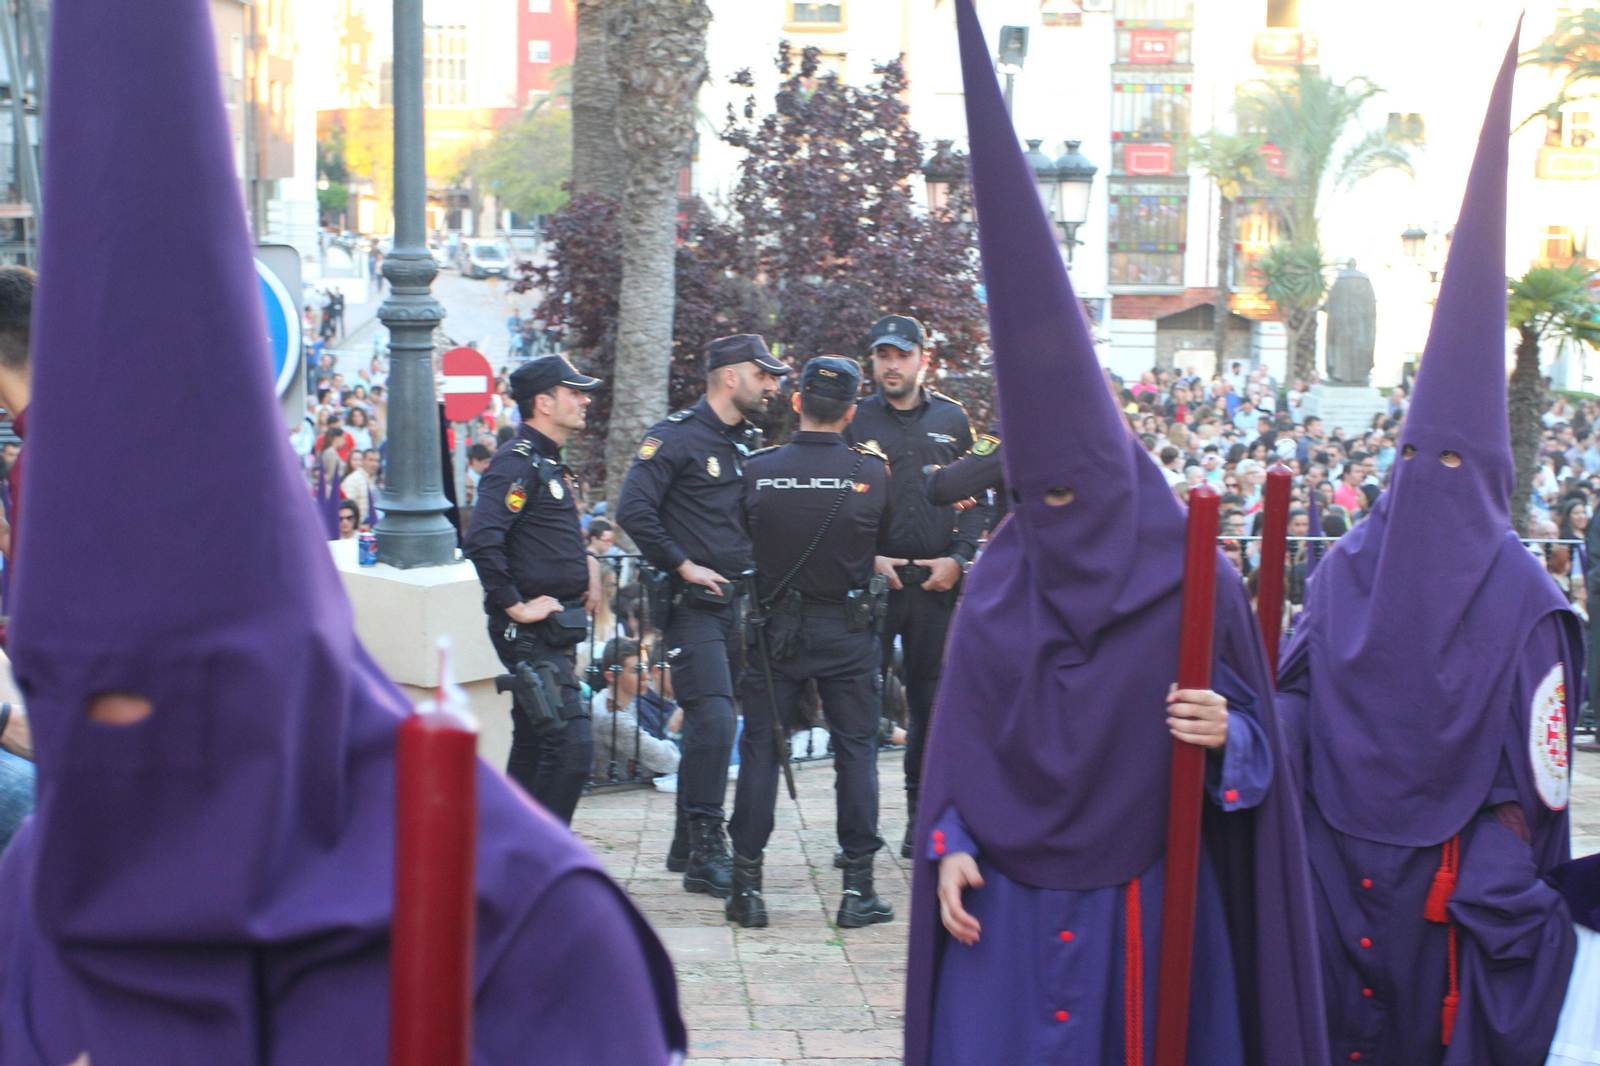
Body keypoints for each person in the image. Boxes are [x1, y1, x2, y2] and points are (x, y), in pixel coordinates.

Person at [0, 1, 686, 1057]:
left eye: (163, 692)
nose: (116, 753)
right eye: (69, 691)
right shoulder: (41, 883)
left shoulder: (521, 924)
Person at [905, 8, 1328, 1064]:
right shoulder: (1002, 583)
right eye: (1034, 496)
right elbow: (955, 749)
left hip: (1149, 905)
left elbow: (1260, 739)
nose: (1057, 519)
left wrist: (1225, 734)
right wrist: (949, 845)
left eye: (1073, 493)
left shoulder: (1198, 579)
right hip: (1000, 914)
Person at [1277, 34, 1581, 1065]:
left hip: (1449, 894)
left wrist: (1493, 879)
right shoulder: (1342, 564)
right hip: (1326, 869)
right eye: (1412, 459)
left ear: (1487, 474)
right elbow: (1297, 698)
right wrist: (1233, 727)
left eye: (1446, 463)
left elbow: (1533, 791)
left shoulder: (1528, 603)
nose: (1424, 486)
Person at [617, 334, 788, 898]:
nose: (773, 387)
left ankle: (686, 839)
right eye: (764, 376)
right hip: (693, 607)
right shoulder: (674, 437)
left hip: (741, 607)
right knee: (713, 720)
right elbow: (633, 509)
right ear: (731, 377)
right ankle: (707, 849)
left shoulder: (749, 442)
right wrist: (683, 565)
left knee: (713, 723)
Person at [726, 356, 895, 930]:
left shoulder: (758, 469)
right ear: (851, 412)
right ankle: (857, 891)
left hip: (776, 632)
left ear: (797, 403)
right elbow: (884, 536)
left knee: (760, 752)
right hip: (846, 631)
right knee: (856, 755)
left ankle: (746, 889)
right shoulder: (872, 473)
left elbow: (738, 542)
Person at [845, 314, 985, 858]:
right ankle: (857, 831)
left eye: (901, 355)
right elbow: (840, 498)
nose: (892, 365)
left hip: (934, 583)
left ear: (923, 359)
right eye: (883, 355)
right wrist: (866, 557)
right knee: (858, 705)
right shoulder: (856, 419)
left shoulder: (953, 419)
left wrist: (959, 558)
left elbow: (976, 498)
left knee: (929, 706)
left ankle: (918, 819)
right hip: (874, 582)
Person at [463, 354, 603, 825]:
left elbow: (540, 534)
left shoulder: (546, 461)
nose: (584, 400)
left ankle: (502, 860)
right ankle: (542, 865)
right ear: (544, 402)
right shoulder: (516, 462)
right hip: (530, 632)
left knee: (533, 744)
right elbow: (482, 539)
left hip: (556, 628)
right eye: (574, 392)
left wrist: (588, 566)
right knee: (572, 746)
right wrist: (515, 606)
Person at [591, 636, 682, 784]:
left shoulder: (623, 701)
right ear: (612, 677)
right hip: (612, 794)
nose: (645, 677)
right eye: (636, 671)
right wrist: (672, 728)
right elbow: (669, 761)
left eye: (644, 668)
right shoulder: (612, 717)